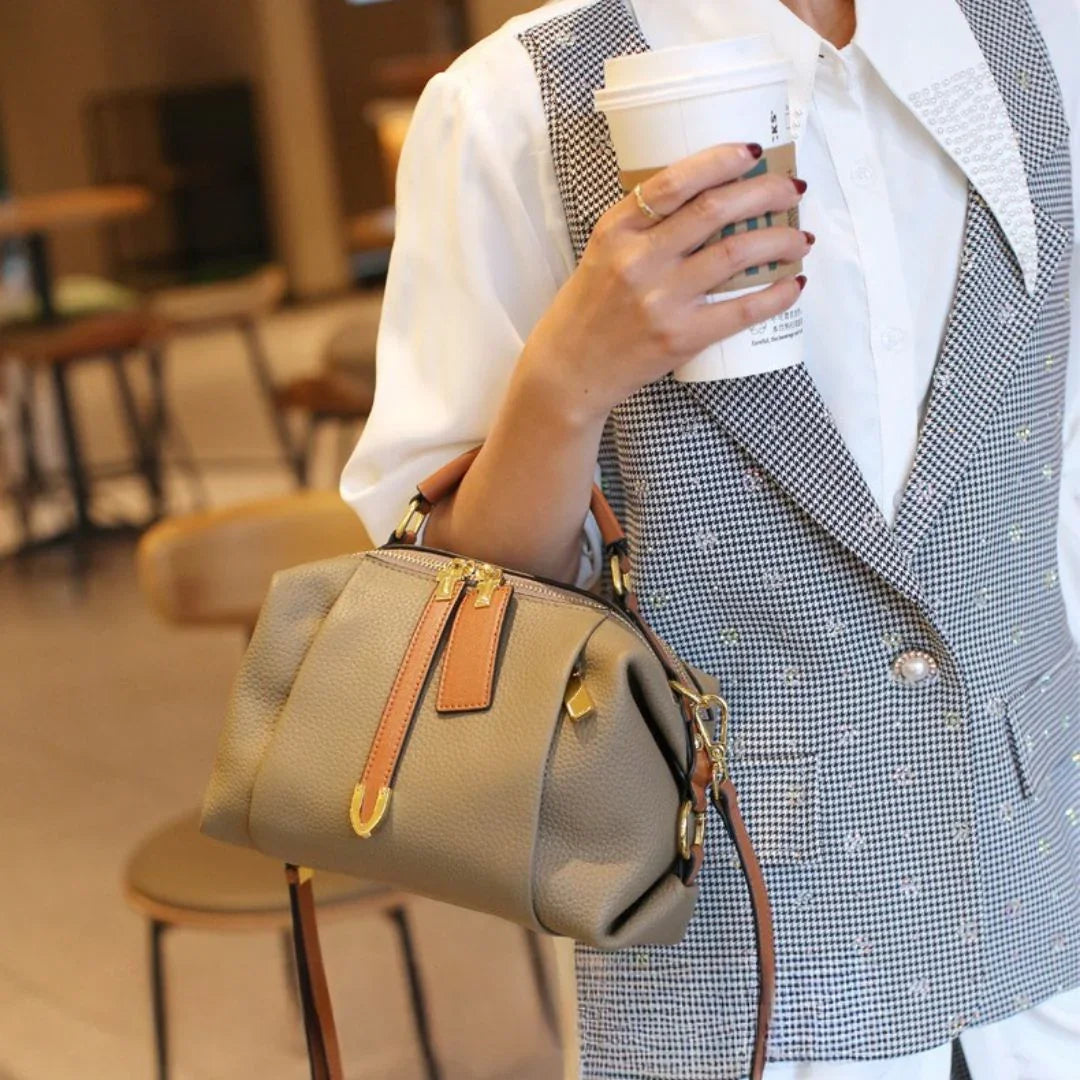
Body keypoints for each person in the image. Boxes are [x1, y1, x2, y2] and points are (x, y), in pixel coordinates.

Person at [342, 0, 1080, 1076]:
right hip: (736, 942)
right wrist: (566, 384)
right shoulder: (511, 104)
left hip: (1046, 884)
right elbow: (444, 601)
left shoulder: (1043, 35)